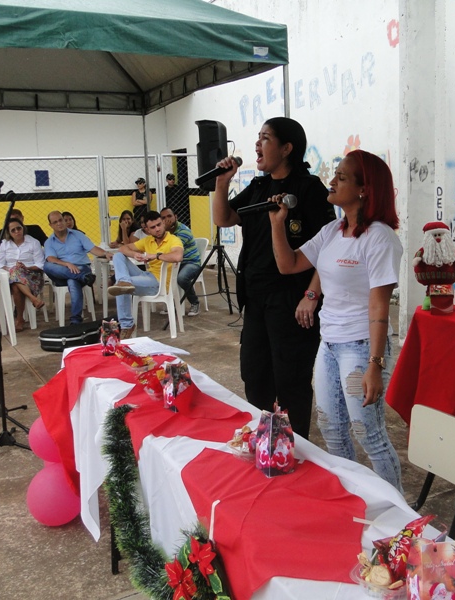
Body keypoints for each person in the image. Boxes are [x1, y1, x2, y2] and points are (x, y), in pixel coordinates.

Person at [268, 149, 403, 492]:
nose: (332, 180)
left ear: (364, 190)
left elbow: (379, 307)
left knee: (367, 433)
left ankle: (398, 512)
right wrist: (277, 224)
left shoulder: (380, 238)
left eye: (342, 177)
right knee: (331, 430)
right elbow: (289, 265)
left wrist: (375, 363)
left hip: (360, 347)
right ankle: (352, 498)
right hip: (328, 344)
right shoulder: (331, 231)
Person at [211, 117, 335, 439]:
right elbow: (224, 218)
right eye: (258, 137)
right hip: (256, 299)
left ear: (286, 148)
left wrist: (311, 295)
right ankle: (270, 440)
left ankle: (295, 449)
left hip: (292, 302)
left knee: (291, 380)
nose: (257, 144)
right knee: (255, 375)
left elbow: (329, 248)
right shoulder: (259, 187)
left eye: (265, 138)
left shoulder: (309, 190)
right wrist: (223, 182)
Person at [107, 210, 183, 339]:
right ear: (147, 230)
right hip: (147, 276)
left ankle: (126, 325)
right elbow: (122, 248)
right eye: (153, 227)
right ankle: (124, 281)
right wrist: (135, 254)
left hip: (160, 283)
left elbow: (178, 256)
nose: (157, 229)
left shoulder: (173, 240)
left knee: (120, 288)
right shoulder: (148, 241)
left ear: (163, 223)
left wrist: (156, 256)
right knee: (119, 256)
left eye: (159, 225)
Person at [43, 210, 110, 325]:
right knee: (47, 266)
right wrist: (67, 264)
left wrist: (106, 253)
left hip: (82, 267)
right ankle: (84, 278)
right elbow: (51, 259)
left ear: (64, 220)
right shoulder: (49, 242)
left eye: (60, 220)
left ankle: (76, 320)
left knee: (72, 282)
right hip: (62, 272)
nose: (59, 223)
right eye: (55, 222)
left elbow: (93, 248)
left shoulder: (78, 235)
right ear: (51, 225)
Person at [0, 217, 46, 332]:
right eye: (13, 230)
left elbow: (40, 264)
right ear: (9, 233)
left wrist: (26, 267)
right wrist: (10, 269)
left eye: (19, 228)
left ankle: (19, 319)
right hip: (10, 276)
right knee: (15, 279)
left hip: (32, 275)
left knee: (16, 279)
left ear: (23, 228)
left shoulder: (33, 242)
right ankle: (33, 300)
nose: (17, 231)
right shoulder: (4, 244)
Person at [160, 206, 201, 316]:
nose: (167, 220)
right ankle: (171, 304)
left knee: (182, 278)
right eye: (163, 218)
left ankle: (195, 302)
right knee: (162, 274)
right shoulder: (165, 233)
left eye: (169, 216)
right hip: (175, 263)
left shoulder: (183, 231)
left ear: (175, 217)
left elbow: (170, 250)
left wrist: (164, 230)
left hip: (191, 263)